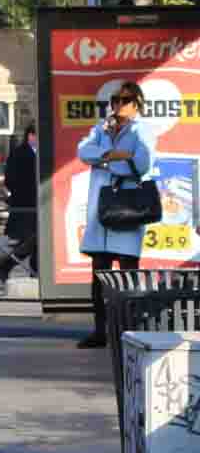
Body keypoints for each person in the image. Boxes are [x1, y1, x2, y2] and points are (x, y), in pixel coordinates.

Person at [76, 83, 156, 348]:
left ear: (137, 103)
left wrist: (107, 162)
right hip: (102, 210)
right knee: (99, 273)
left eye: (125, 99)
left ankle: (129, 331)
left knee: (128, 274)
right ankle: (100, 331)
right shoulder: (102, 128)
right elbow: (83, 151)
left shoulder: (141, 130)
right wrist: (112, 154)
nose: (119, 104)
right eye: (115, 99)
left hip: (127, 209)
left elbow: (142, 164)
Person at [0, 124, 38, 281]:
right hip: (24, 205)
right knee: (33, 240)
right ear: (30, 136)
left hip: (41, 204)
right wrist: (23, 192)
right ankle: (32, 273)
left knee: (36, 241)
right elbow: (10, 179)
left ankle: (9, 265)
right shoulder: (19, 153)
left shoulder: (44, 153)